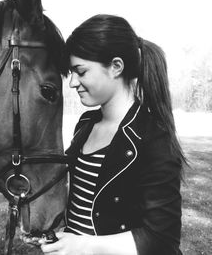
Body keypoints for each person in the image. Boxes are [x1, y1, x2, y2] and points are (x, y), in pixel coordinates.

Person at [40, 14, 185, 255]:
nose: (73, 82)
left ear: (116, 67)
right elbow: (82, 204)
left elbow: (162, 240)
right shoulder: (85, 124)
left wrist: (82, 245)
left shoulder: (152, 138)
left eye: (81, 71)